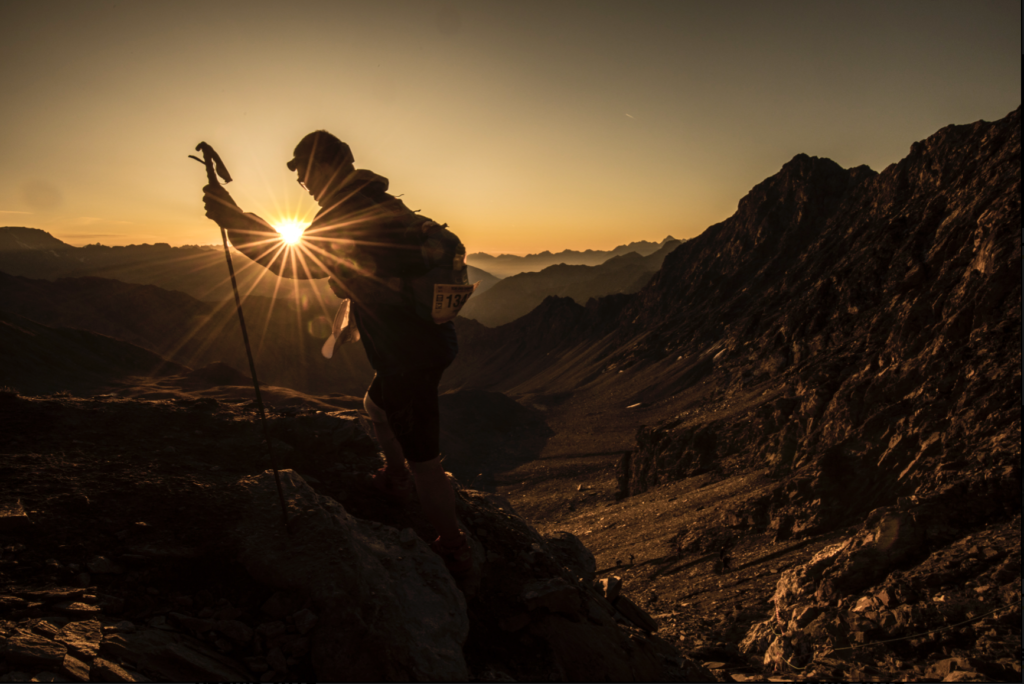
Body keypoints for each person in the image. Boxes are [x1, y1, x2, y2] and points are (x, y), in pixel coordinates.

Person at [202, 130, 472, 575]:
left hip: (407, 353)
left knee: (426, 457)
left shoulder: (345, 213)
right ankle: (396, 476)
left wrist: (234, 219)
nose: (302, 181)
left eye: (305, 170)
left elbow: (295, 265)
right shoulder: (382, 202)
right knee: (375, 406)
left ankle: (453, 544)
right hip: (427, 342)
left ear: (329, 166)